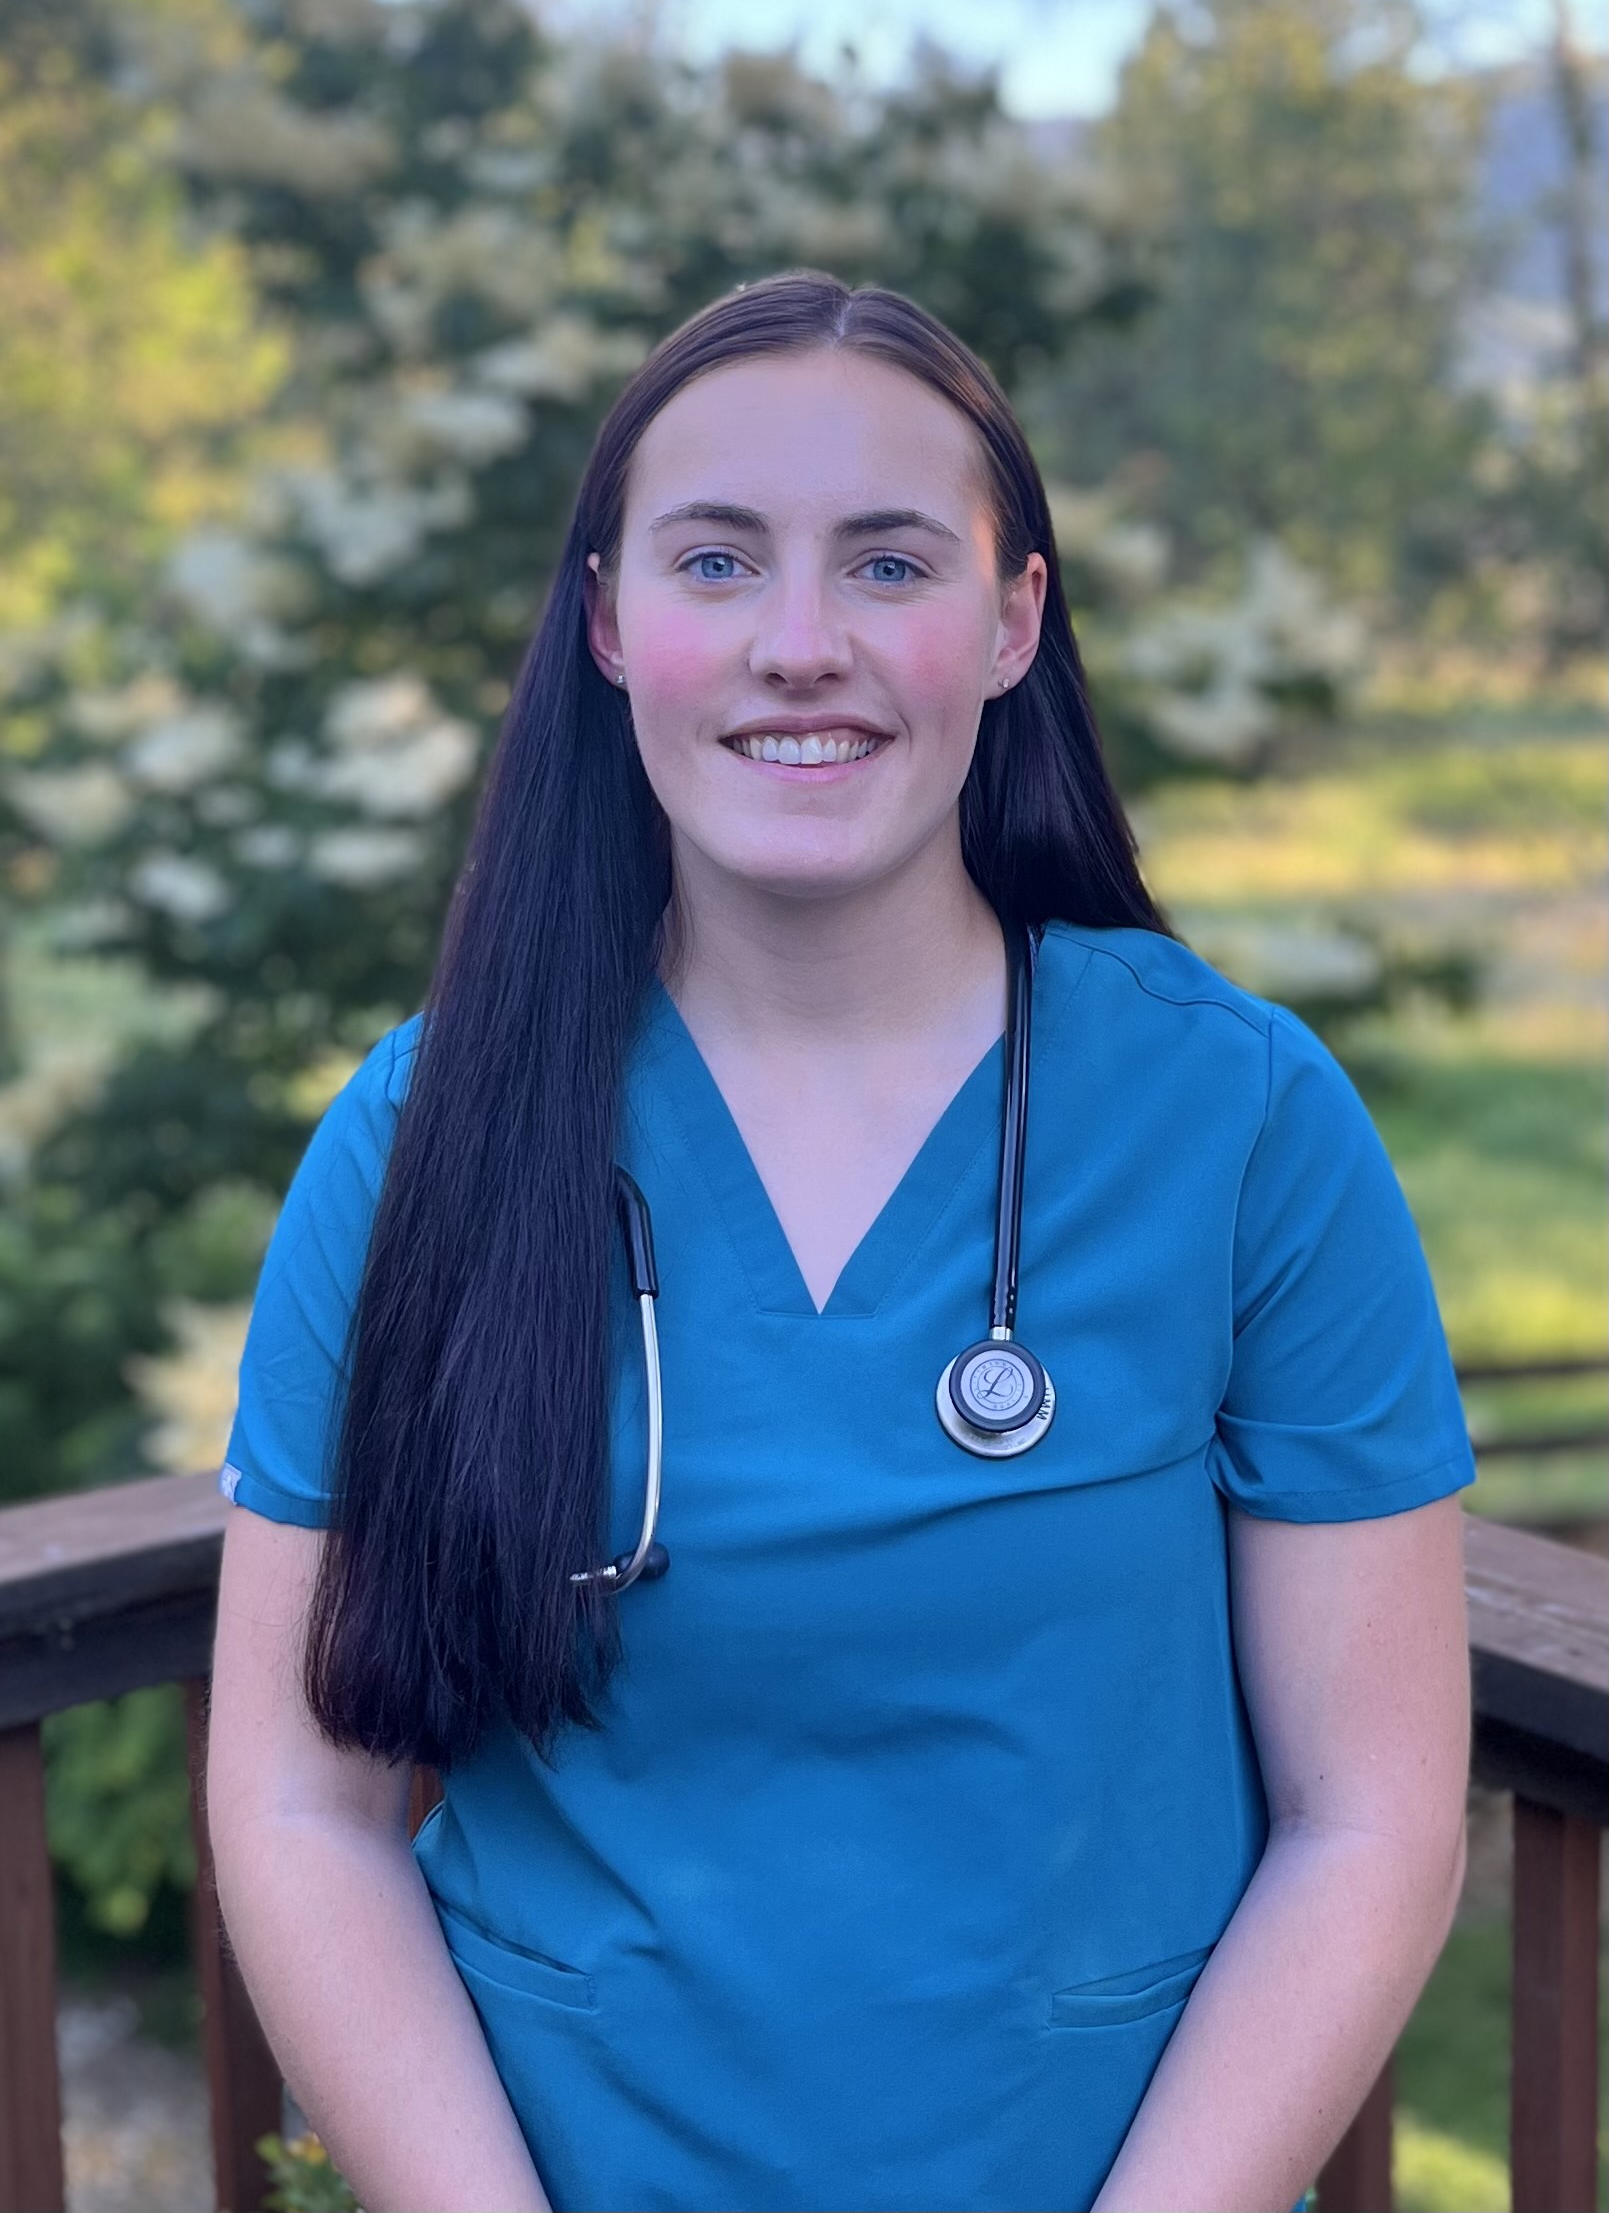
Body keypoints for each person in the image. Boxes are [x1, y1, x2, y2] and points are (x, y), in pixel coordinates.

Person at [206, 270, 1475, 2213]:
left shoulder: (1244, 1124)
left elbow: (1368, 1812)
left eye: (887, 564)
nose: (801, 645)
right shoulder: (419, 1135)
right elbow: (306, 1803)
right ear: (613, 623)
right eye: (717, 562)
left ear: (1010, 620)